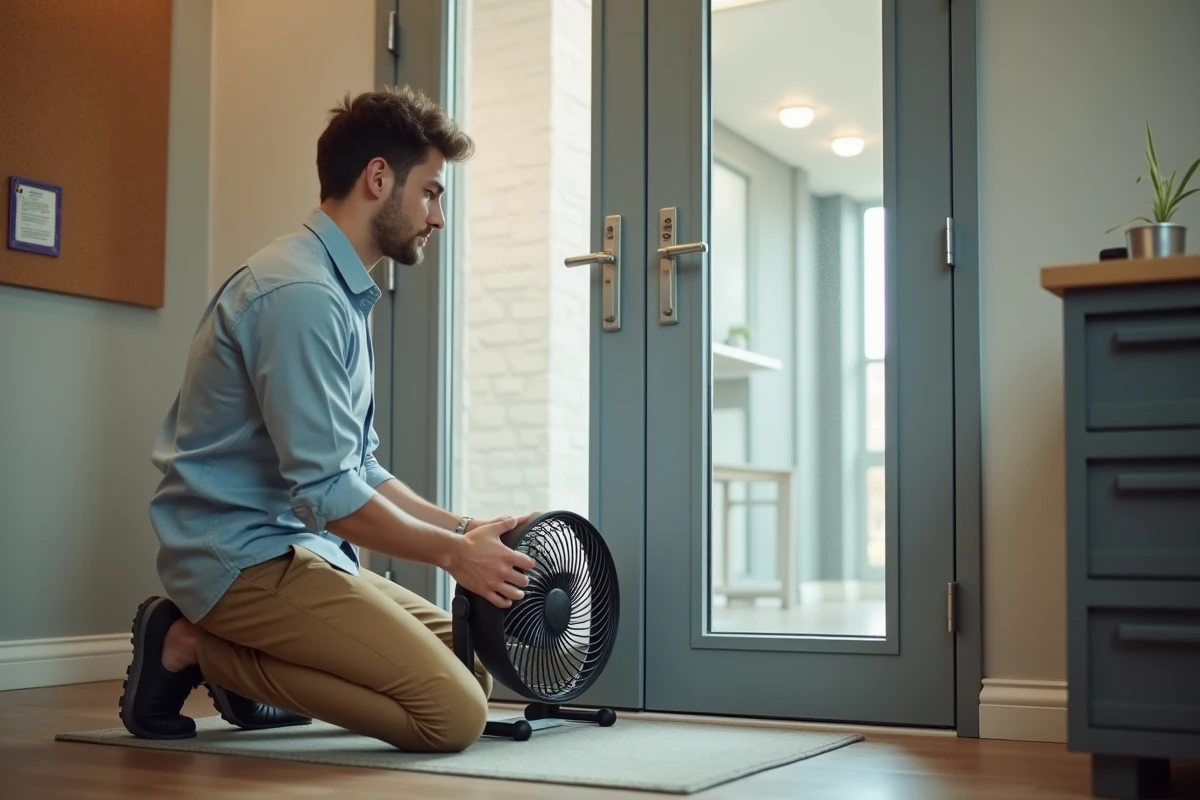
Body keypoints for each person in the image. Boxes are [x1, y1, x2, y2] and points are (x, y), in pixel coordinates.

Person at [119, 85, 536, 753]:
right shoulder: (301, 295)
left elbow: (358, 469)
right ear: (379, 178)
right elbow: (330, 496)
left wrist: (461, 528)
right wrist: (455, 556)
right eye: (431, 192)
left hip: (300, 551)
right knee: (451, 716)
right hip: (239, 559)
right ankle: (190, 645)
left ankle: (256, 669)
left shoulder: (337, 289)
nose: (438, 218)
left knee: (473, 668)